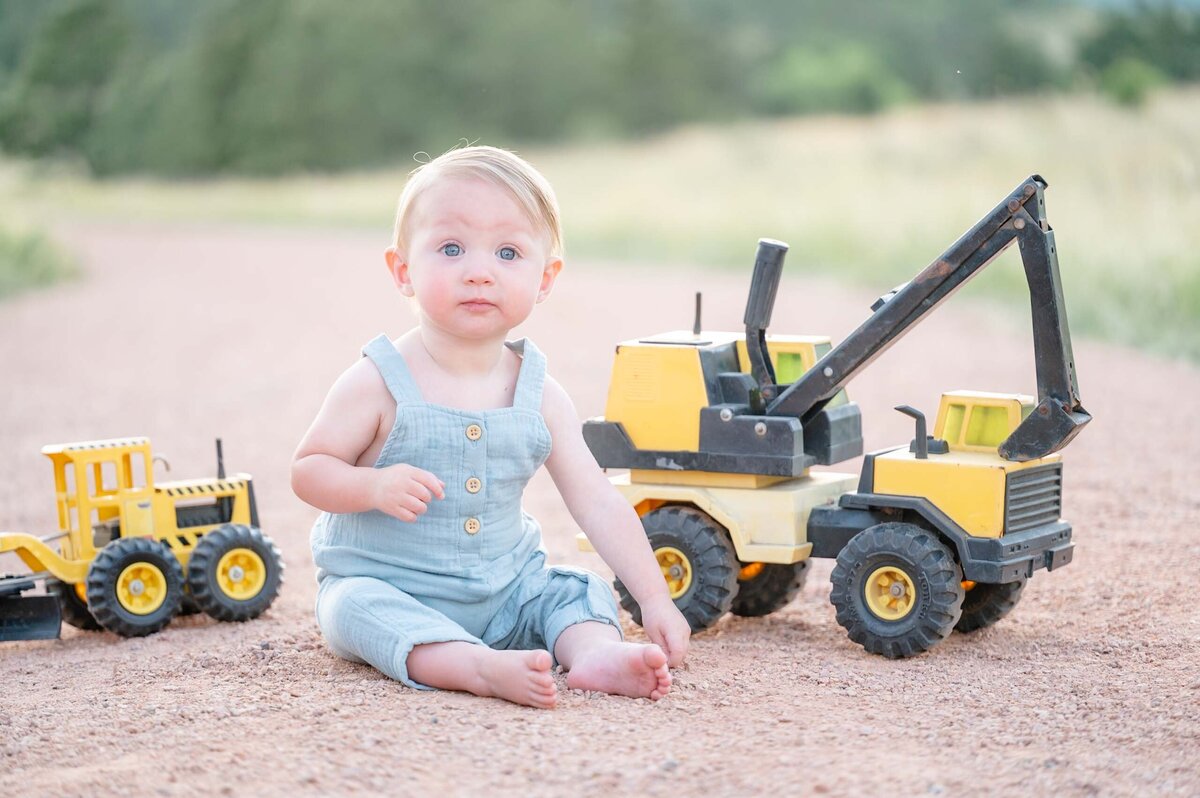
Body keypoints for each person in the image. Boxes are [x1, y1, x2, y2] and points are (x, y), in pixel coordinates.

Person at [291, 145, 691, 708]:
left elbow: (597, 500)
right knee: (352, 609)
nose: (479, 272)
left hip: (506, 592)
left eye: (508, 252)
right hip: (392, 588)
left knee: (575, 588)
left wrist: (654, 599)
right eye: (451, 248)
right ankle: (475, 667)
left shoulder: (540, 394)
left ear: (545, 277)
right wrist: (372, 486)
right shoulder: (378, 381)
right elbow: (309, 470)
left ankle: (595, 652)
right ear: (403, 270)